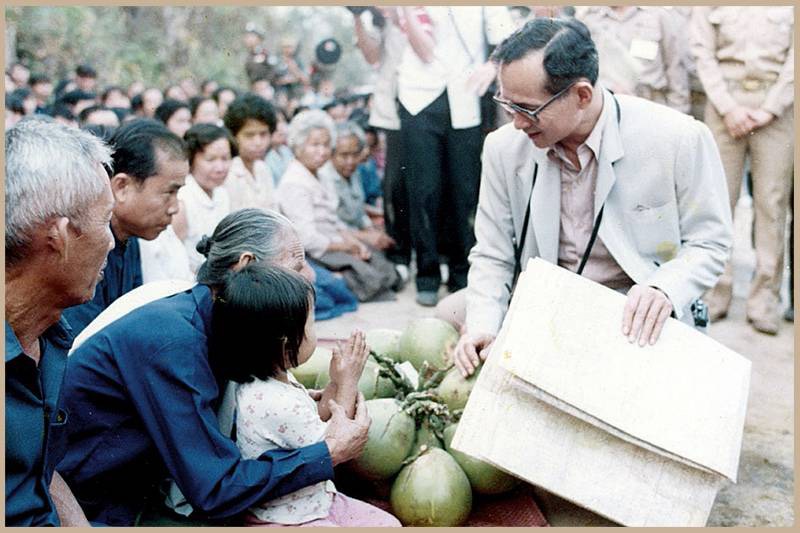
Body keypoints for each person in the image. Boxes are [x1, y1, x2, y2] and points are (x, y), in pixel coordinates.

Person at [450, 18, 732, 377]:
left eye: (527, 109)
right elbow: (493, 253)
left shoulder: (677, 138)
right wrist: (484, 326)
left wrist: (664, 289)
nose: (517, 123)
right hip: (546, 307)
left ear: (582, 95)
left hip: (633, 317)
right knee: (450, 313)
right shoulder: (503, 147)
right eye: (508, 106)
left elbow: (710, 241)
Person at [58, 208, 370, 526]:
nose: (310, 277)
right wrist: (329, 452)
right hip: (92, 504)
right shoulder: (174, 341)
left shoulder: (219, 319)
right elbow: (214, 488)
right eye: (296, 266)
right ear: (246, 265)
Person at [217, 265, 399, 527]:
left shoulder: (272, 378)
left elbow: (316, 416)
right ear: (285, 342)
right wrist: (349, 382)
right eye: (311, 324)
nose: (315, 330)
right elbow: (334, 443)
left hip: (316, 500)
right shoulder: (274, 402)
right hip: (288, 517)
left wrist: (336, 383)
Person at [5, 118, 114, 526]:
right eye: (106, 221)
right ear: (60, 236)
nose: (112, 242)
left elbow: (39, 472)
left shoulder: (49, 332)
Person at [396, 6, 514, 306]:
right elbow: (422, 48)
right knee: (424, 190)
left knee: (465, 190)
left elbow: (506, 34)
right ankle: (427, 274)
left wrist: (493, 65)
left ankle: (463, 273)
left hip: (466, 94)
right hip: (418, 97)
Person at [691, 6, 794, 335]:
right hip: (725, 105)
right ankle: (715, 292)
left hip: (777, 107)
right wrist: (728, 107)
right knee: (717, 202)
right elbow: (703, 53)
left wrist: (770, 109)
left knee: (771, 205)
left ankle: (764, 300)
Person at [62, 118, 189, 336]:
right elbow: (83, 341)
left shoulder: (131, 239)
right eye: (169, 192)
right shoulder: (83, 244)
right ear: (122, 187)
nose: (175, 208)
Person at [277, 110, 399, 302]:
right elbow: (307, 239)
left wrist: (354, 243)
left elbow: (334, 220)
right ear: (298, 146)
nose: (322, 151)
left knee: (384, 268)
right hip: (316, 251)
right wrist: (345, 246)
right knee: (369, 279)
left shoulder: (320, 174)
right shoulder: (294, 182)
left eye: (326, 145)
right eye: (315, 145)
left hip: (333, 241)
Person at [352, 7, 412, 278]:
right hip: (396, 106)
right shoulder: (379, 21)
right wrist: (357, 16)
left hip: (434, 104)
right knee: (395, 184)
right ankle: (400, 254)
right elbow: (372, 56)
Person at [576, 6, 689, 114]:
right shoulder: (587, 18)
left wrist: (679, 112)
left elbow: (675, 67)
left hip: (651, 106)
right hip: (605, 109)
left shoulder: (657, 15)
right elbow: (579, 69)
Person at [319, 121, 396, 254]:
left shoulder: (354, 173)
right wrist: (366, 236)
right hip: (339, 241)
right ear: (331, 154)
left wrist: (370, 229)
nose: (350, 161)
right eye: (344, 155)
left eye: (355, 155)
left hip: (357, 234)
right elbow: (331, 226)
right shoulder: (324, 177)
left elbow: (359, 211)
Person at [172, 123, 234, 273]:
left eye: (225, 158)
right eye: (210, 159)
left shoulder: (222, 193)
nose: (220, 168)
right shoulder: (181, 200)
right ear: (191, 160)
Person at [222, 92, 278, 212]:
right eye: (249, 135)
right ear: (234, 136)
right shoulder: (228, 173)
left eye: (263, 134)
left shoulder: (263, 168)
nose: (258, 142)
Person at [265, 109, 294, 186]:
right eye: (276, 122)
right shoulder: (263, 158)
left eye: (282, 121)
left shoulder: (286, 150)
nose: (280, 127)